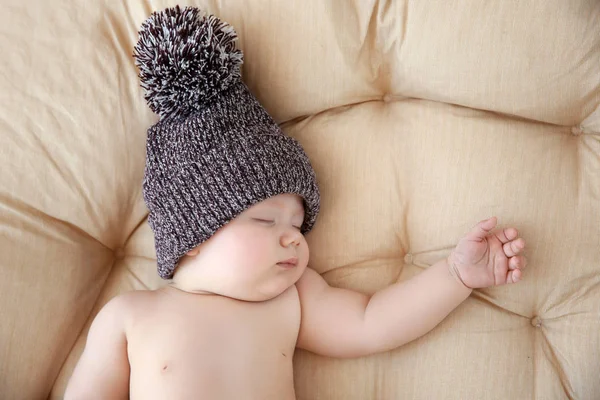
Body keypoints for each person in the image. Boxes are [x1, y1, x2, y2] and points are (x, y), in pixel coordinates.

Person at [64, 6, 527, 399]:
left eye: (298, 223)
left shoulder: (292, 299)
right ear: (193, 237)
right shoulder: (129, 316)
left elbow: (372, 323)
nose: (293, 236)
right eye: (265, 220)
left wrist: (455, 275)